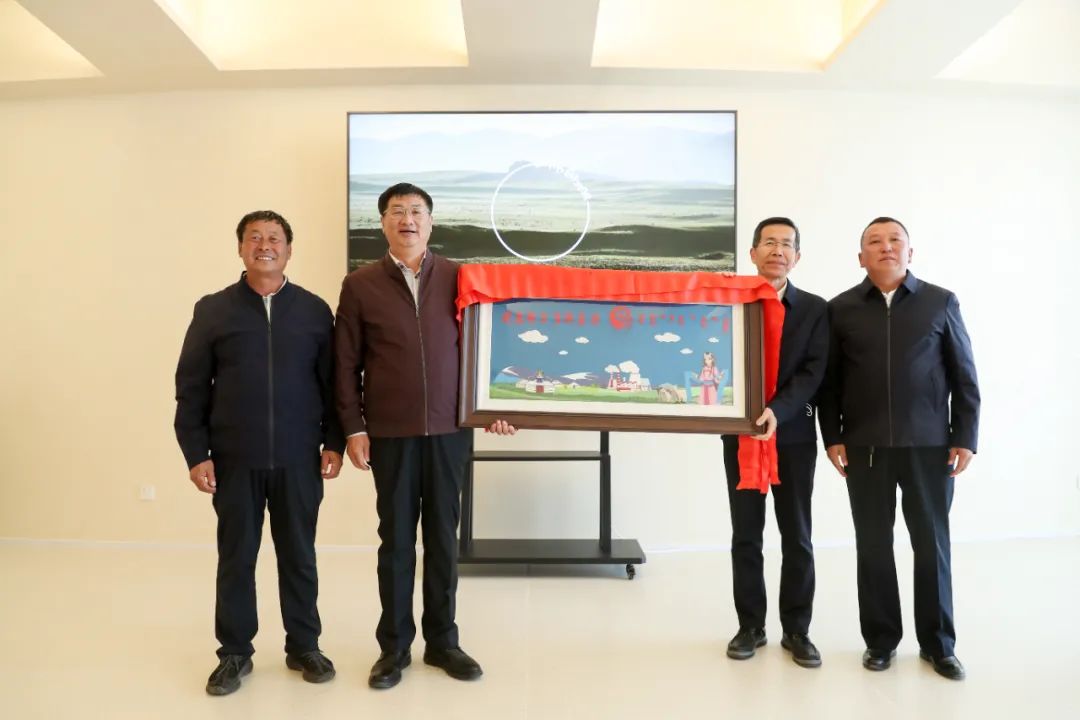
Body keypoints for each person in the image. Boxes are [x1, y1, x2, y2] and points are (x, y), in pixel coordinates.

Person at [334, 183, 515, 690]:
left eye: (416, 211)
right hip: (389, 433)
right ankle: (393, 649)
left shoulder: (461, 276)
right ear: (383, 223)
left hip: (450, 432)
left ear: (431, 222)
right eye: (397, 211)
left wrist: (495, 407)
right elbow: (344, 363)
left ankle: (443, 642)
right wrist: (353, 426)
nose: (407, 219)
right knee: (395, 542)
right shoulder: (360, 284)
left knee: (441, 538)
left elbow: (491, 344)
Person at [174, 210, 344, 696]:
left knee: (299, 556)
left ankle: (304, 645)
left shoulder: (314, 311)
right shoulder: (213, 310)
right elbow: (190, 388)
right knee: (236, 558)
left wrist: (333, 442)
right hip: (234, 460)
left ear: (289, 250)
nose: (264, 245)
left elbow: (334, 385)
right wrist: (196, 453)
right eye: (254, 238)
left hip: (298, 459)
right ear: (241, 248)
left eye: (274, 238)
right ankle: (234, 652)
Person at [818, 217, 979, 681]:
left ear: (911, 253)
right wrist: (833, 436)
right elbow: (830, 383)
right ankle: (881, 641)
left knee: (932, 546)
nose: (886, 247)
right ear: (861, 257)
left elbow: (965, 375)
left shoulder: (940, 302)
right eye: (875, 241)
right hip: (864, 447)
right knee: (873, 546)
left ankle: (939, 645)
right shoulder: (841, 309)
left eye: (895, 240)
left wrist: (965, 436)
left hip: (929, 447)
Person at [722, 217, 829, 668]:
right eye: (769, 243)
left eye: (786, 244)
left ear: (797, 257)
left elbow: (813, 372)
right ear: (753, 253)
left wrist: (777, 411)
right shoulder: (731, 302)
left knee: (797, 535)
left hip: (794, 436)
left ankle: (797, 630)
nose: (777, 251)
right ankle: (751, 626)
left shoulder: (815, 309)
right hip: (742, 434)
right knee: (746, 534)